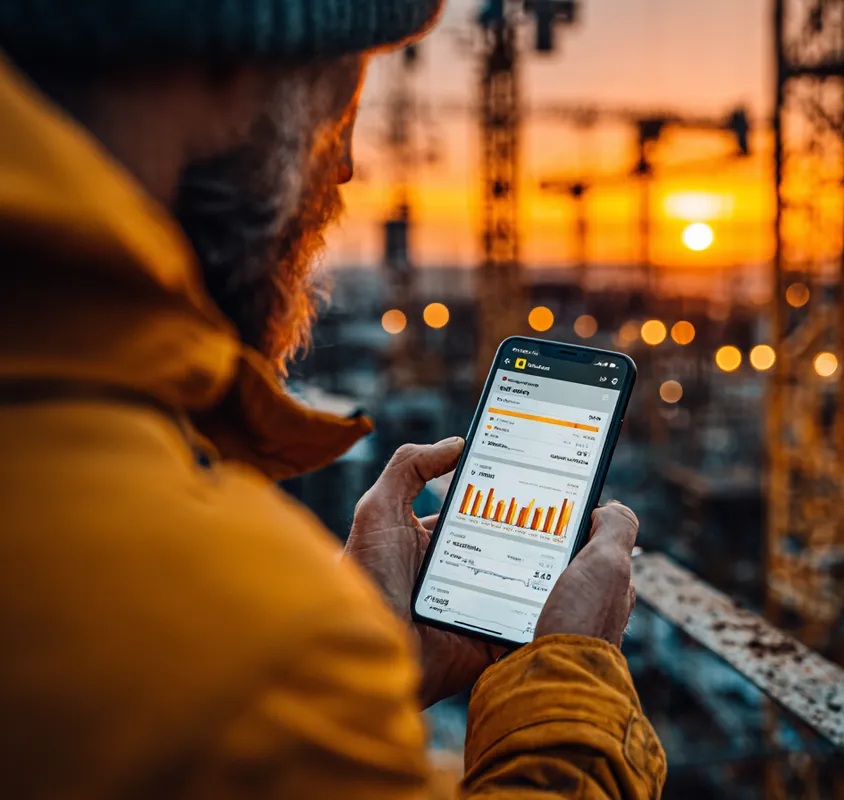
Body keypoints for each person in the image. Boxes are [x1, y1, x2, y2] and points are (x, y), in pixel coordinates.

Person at [0, 1, 665, 797]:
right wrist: (568, 692)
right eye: (340, 99)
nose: (345, 162)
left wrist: (375, 646)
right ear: (229, 63)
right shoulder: (251, 655)